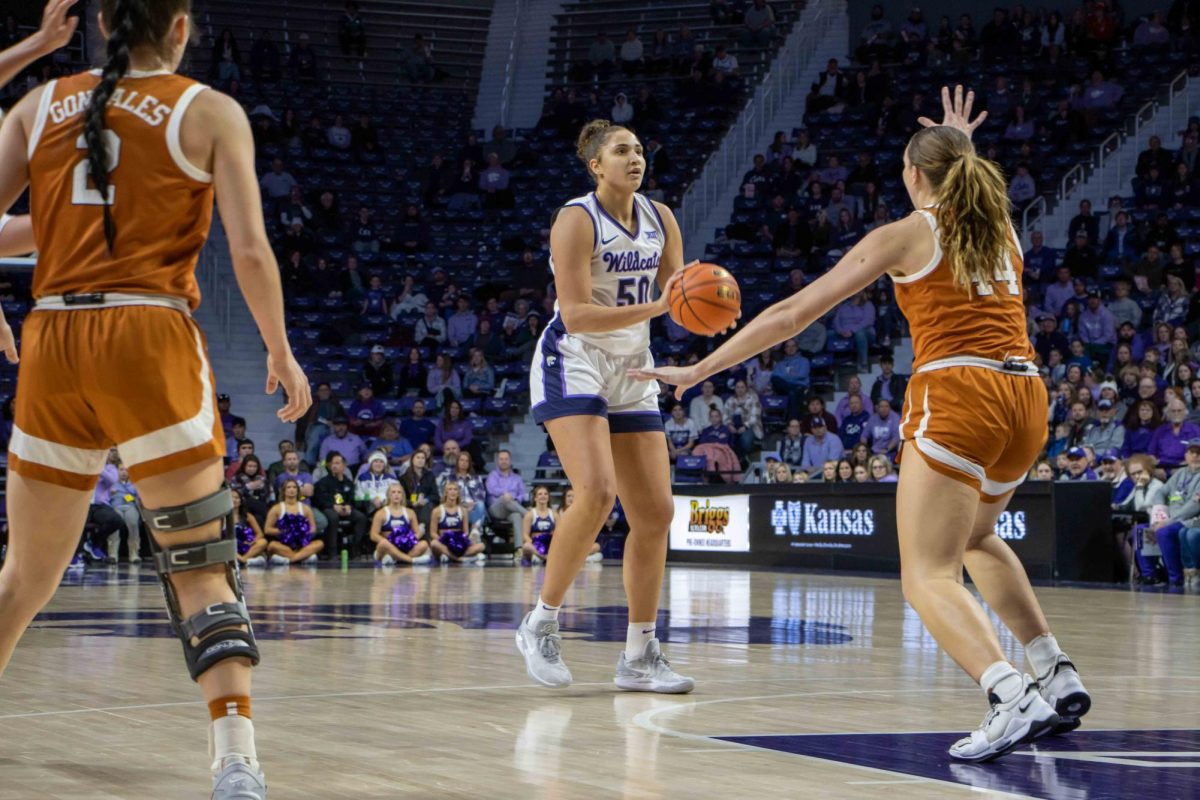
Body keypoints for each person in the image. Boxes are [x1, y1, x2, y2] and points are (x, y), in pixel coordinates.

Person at [632, 87, 1089, 760]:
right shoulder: (1001, 230)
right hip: (1026, 397)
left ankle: (1009, 694)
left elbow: (793, 314)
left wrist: (701, 369)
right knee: (979, 537)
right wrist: (958, 138)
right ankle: (1054, 668)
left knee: (925, 573)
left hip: (959, 392)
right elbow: (962, 178)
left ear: (912, 177)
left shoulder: (903, 235)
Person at [0, 2, 314, 798]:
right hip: (147, 336)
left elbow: (31, 226)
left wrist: (33, 51)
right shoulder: (208, 108)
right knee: (202, 570)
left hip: (53, 341)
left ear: (100, 22)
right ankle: (235, 761)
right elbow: (247, 247)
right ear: (179, 27)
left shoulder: (38, 105)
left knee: (24, 579)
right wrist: (277, 346)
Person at [518, 119, 703, 694]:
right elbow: (574, 312)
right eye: (622, 150)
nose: (635, 157)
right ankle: (541, 622)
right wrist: (659, 308)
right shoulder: (576, 219)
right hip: (573, 357)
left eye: (640, 148)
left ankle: (640, 653)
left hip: (632, 364)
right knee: (596, 492)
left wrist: (706, 301)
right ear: (595, 164)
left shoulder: (661, 218)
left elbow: (679, 299)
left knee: (655, 514)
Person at [314, 452, 369, 557]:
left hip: (345, 509)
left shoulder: (348, 483)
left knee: (361, 517)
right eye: (332, 464)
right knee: (333, 517)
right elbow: (320, 499)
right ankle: (332, 551)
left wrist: (349, 506)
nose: (334, 466)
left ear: (344, 465)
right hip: (329, 508)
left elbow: (352, 499)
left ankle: (355, 548)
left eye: (337, 463)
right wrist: (333, 506)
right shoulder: (323, 482)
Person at [264, 479, 322, 565]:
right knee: (272, 545)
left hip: (301, 544)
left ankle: (291, 559)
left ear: (298, 490)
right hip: (284, 544)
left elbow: (313, 528)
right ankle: (302, 557)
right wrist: (285, 531)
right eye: (289, 487)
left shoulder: (305, 508)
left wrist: (302, 531)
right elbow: (267, 529)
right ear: (284, 491)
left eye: (294, 487)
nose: (292, 489)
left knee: (319, 543)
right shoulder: (276, 508)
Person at [369, 484, 430, 566]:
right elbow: (373, 535)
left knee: (424, 544)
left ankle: (394, 559)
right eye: (393, 492)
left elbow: (417, 533)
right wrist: (389, 543)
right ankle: (411, 560)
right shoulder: (381, 513)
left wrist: (408, 540)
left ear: (402, 496)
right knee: (382, 544)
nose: (396, 494)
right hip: (388, 546)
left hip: (405, 546)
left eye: (399, 492)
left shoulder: (410, 512)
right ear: (388, 496)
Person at [429, 481, 484, 563]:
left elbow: (465, 532)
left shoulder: (463, 510)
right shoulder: (437, 511)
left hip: (458, 543)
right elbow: (433, 533)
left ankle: (448, 556)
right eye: (450, 489)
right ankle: (458, 559)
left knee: (481, 546)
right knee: (434, 544)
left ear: (458, 493)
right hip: (443, 543)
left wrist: (460, 542)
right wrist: (443, 540)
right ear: (445, 493)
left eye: (455, 490)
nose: (453, 492)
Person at [232, 490, 267, 567]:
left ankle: (243, 560)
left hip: (245, 546)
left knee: (263, 542)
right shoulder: (222, 518)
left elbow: (260, 533)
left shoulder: (248, 516)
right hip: (230, 547)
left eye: (236, 498)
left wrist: (252, 541)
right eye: (231, 497)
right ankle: (244, 560)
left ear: (240, 501)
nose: (234, 500)